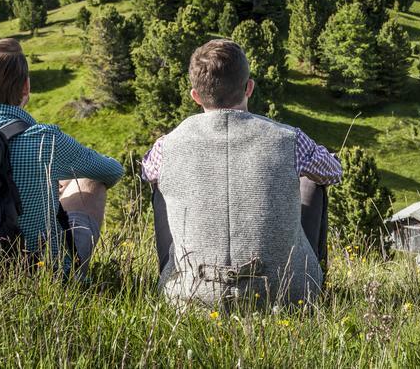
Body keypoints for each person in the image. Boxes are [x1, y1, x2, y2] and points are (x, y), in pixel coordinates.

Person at [141, 39, 342, 308]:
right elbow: (333, 173)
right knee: (312, 183)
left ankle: (176, 277)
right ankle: (312, 280)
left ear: (195, 96)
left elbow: (146, 173)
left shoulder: (167, 145)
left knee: (160, 190)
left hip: (192, 296)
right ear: (249, 87)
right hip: (285, 294)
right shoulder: (289, 139)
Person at [0, 38, 124, 273]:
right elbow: (113, 171)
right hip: (42, 274)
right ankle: (76, 274)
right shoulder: (45, 140)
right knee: (90, 180)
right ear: (25, 87)